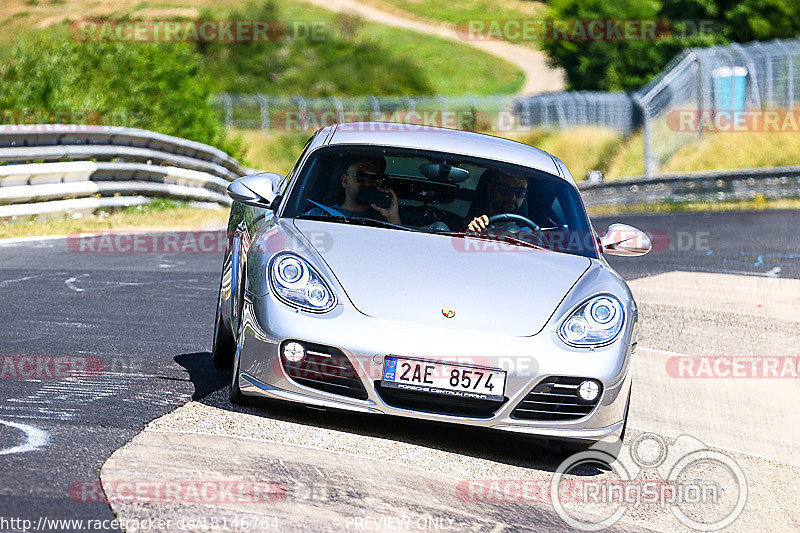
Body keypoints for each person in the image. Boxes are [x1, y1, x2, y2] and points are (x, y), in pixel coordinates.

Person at [306, 157, 402, 225]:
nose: (368, 183)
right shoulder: (318, 215)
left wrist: (393, 218)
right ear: (345, 181)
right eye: (361, 177)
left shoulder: (383, 222)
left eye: (375, 179)